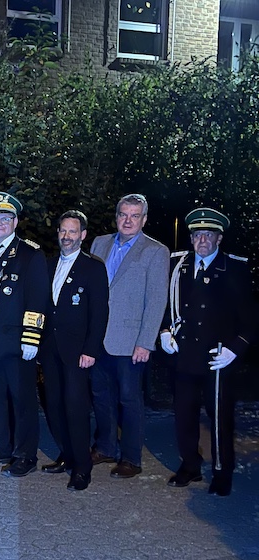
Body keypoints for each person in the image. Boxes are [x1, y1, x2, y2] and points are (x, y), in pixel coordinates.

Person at [159, 208, 257, 497]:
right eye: (197, 234)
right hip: (185, 355)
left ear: (219, 238)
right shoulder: (178, 266)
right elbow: (164, 304)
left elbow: (251, 319)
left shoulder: (235, 269)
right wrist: (164, 331)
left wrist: (235, 348)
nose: (202, 240)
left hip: (218, 357)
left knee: (220, 418)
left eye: (208, 234)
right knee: (183, 415)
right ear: (191, 238)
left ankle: (222, 471)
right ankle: (190, 465)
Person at [0, 192, 50, 477]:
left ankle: (26, 454)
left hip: (17, 343)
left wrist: (32, 337)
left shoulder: (30, 255)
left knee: (23, 402)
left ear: (15, 222)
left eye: (5, 218)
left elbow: (37, 299)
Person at [89, 193, 169, 478]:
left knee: (129, 400)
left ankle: (131, 458)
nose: (128, 220)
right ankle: (106, 447)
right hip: (98, 339)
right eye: (124, 214)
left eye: (135, 216)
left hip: (130, 341)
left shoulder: (155, 251)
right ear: (116, 216)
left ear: (144, 219)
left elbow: (157, 300)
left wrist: (145, 342)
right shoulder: (100, 243)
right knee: (100, 395)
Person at [38, 210, 109, 491]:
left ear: (83, 235)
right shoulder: (49, 264)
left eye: (72, 231)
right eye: (62, 231)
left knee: (76, 408)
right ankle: (66, 455)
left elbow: (100, 313)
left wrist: (91, 349)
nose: (66, 236)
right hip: (51, 350)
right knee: (53, 406)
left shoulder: (93, 267)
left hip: (78, 352)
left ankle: (82, 467)